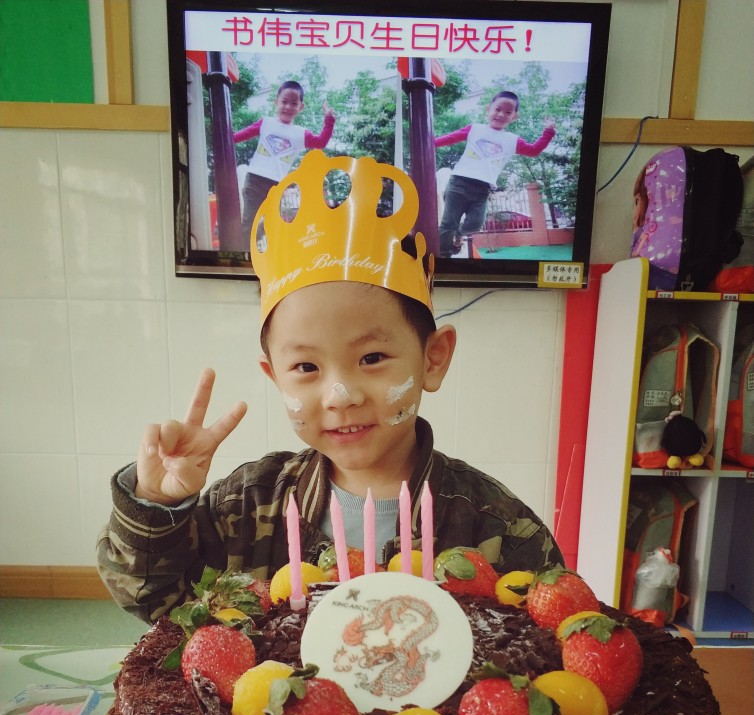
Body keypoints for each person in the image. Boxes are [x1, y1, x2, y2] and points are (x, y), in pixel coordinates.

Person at [97, 151, 562, 623]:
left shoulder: (497, 529)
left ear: (433, 358)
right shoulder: (247, 506)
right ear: (274, 377)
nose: (341, 396)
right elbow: (157, 600)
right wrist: (158, 503)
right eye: (306, 367)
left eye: (372, 358)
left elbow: (554, 636)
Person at [434, 91, 555, 257]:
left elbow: (533, 150)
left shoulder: (513, 140)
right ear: (488, 109)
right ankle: (442, 256)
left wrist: (548, 132)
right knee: (449, 223)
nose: (501, 114)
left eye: (508, 112)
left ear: (514, 117)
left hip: (482, 189)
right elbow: (449, 138)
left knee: (475, 224)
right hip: (459, 183)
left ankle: (459, 234)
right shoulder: (475, 129)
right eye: (497, 109)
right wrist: (429, 142)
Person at [233, 80, 335, 250]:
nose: (288, 107)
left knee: (273, 223)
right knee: (250, 221)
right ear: (276, 102)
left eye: (294, 103)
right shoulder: (266, 123)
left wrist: (329, 120)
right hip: (254, 180)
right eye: (284, 102)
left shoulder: (300, 133)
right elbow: (237, 137)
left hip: (276, 184)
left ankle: (268, 254)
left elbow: (320, 142)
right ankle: (245, 254)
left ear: (301, 107)